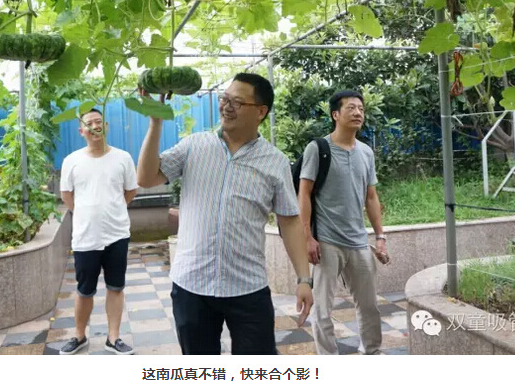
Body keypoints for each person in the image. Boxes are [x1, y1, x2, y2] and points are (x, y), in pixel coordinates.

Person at [137, 73, 313, 355]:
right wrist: (155, 123)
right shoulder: (194, 145)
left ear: (261, 112)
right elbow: (146, 178)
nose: (226, 107)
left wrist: (304, 279)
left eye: (237, 102)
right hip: (192, 285)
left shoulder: (275, 161)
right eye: (224, 99)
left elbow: (289, 221)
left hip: (248, 287)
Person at [298, 90, 388, 355]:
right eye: (351, 108)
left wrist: (380, 237)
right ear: (335, 114)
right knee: (323, 309)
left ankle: (372, 351)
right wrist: (307, 237)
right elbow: (304, 193)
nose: (358, 112)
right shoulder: (318, 149)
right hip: (327, 242)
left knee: (369, 305)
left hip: (358, 241)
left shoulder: (366, 153)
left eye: (361, 108)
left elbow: (371, 197)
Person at [59, 108, 138, 355]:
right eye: (89, 123)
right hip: (86, 236)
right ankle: (79, 335)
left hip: (117, 234)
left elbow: (131, 190)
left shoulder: (123, 158)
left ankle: (113, 338)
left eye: (99, 121)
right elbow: (66, 195)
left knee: (116, 287)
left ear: (106, 126)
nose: (95, 126)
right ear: (81, 131)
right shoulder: (71, 160)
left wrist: (113, 210)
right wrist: (86, 213)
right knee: (84, 290)